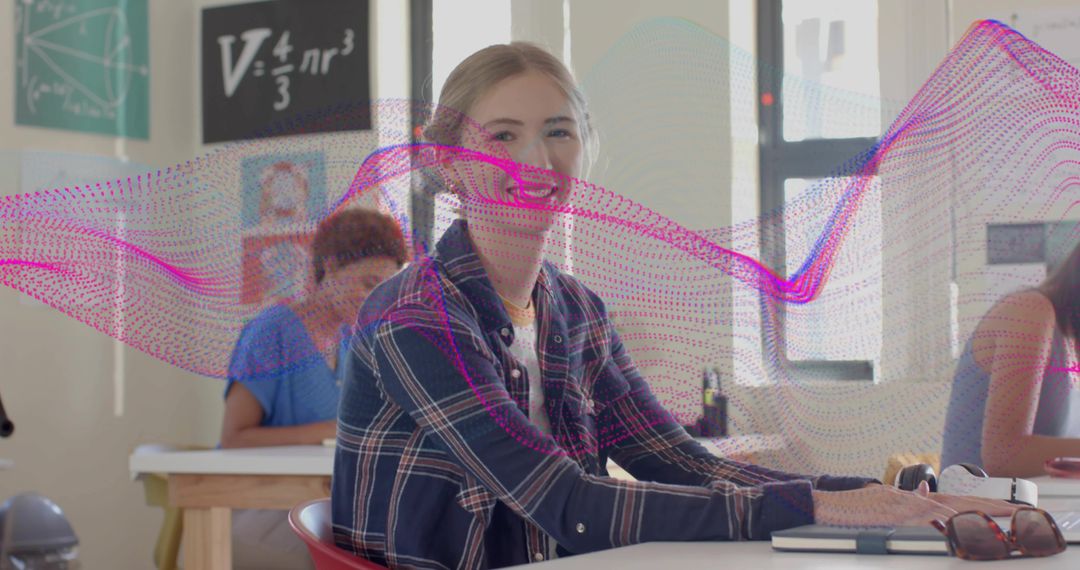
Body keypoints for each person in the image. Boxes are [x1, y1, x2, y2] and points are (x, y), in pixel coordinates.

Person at [332, 43, 1014, 569]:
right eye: (503, 135)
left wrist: (877, 495)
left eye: (559, 131)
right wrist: (820, 505)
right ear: (449, 161)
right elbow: (565, 502)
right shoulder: (413, 318)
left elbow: (685, 463)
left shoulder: (577, 310)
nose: (537, 159)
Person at [221, 207, 406, 570]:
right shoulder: (271, 333)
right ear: (331, 267)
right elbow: (234, 438)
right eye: (369, 283)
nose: (376, 300)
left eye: (386, 289)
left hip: (315, 506)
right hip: (253, 507)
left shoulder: (353, 341)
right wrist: (330, 432)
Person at [942, 241, 1080, 477]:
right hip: (977, 510)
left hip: (1026, 508)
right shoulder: (1030, 311)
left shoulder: (1067, 338)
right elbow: (1005, 456)